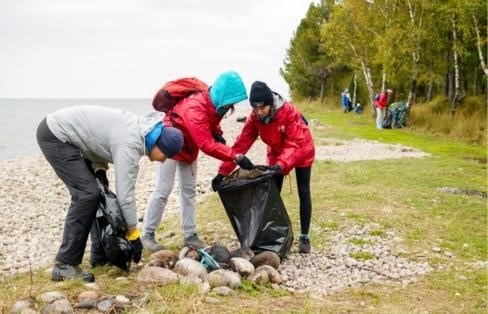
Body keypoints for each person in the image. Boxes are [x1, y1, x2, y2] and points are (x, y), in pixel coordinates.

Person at [36, 105, 184, 282]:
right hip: (56, 135)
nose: (164, 160)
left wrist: (99, 169)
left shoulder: (140, 131)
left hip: (72, 137)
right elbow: (125, 196)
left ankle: (98, 256)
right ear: (159, 144)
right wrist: (133, 233)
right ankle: (64, 264)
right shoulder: (132, 143)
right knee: (86, 194)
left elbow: (98, 141)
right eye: (166, 154)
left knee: (98, 191)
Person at [141, 71, 255, 252]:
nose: (230, 107)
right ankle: (147, 234)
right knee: (163, 190)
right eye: (229, 103)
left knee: (189, 191)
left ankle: (190, 235)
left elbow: (211, 120)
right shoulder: (194, 107)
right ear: (222, 95)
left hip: (188, 148)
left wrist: (218, 134)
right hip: (168, 143)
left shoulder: (213, 102)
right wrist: (236, 157)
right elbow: (206, 144)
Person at [212, 81, 315, 254]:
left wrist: (281, 165)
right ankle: (274, 235)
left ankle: (304, 236)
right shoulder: (254, 119)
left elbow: (295, 143)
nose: (258, 112)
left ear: (270, 104)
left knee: (303, 191)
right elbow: (240, 145)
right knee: (271, 193)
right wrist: (222, 172)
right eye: (255, 108)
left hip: (302, 149)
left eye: (262, 108)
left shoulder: (288, 112)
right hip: (276, 153)